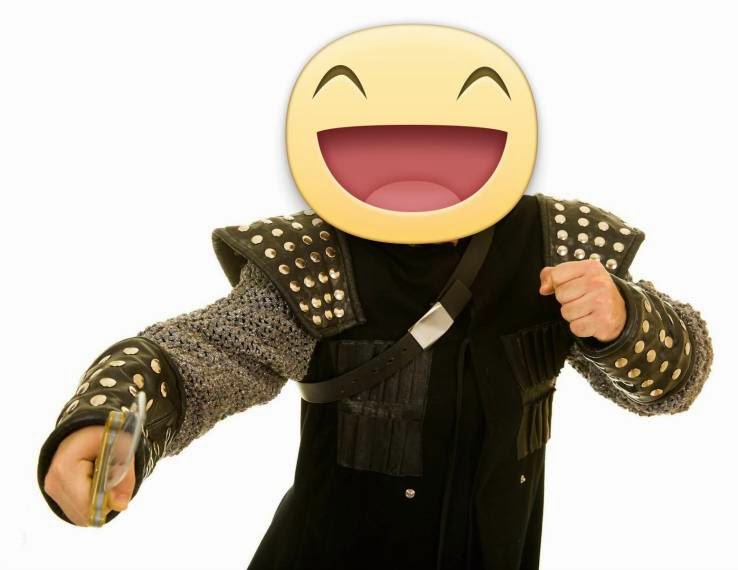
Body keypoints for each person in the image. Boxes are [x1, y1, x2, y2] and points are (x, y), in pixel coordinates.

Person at [37, 24, 713, 569]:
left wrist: (626, 319)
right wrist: (108, 421)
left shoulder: (554, 243)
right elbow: (196, 358)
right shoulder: (319, 256)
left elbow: (678, 381)